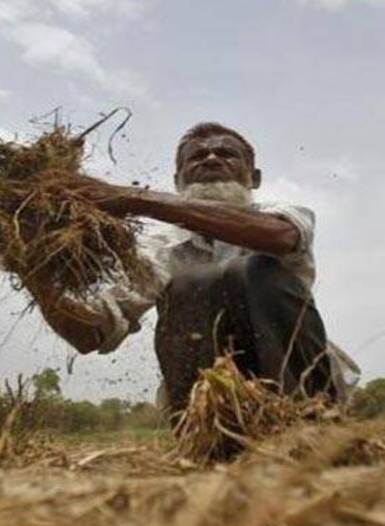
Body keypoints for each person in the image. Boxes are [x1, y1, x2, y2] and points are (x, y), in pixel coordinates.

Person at [24, 122, 358, 417]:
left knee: (255, 270)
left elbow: (278, 237)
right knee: (186, 285)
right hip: (208, 408)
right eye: (196, 158)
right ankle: (212, 427)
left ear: (254, 177)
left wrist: (132, 199)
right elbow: (90, 334)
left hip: (300, 386)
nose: (211, 159)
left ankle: (309, 421)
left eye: (227, 154)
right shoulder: (159, 248)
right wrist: (29, 268)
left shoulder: (283, 213)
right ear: (177, 180)